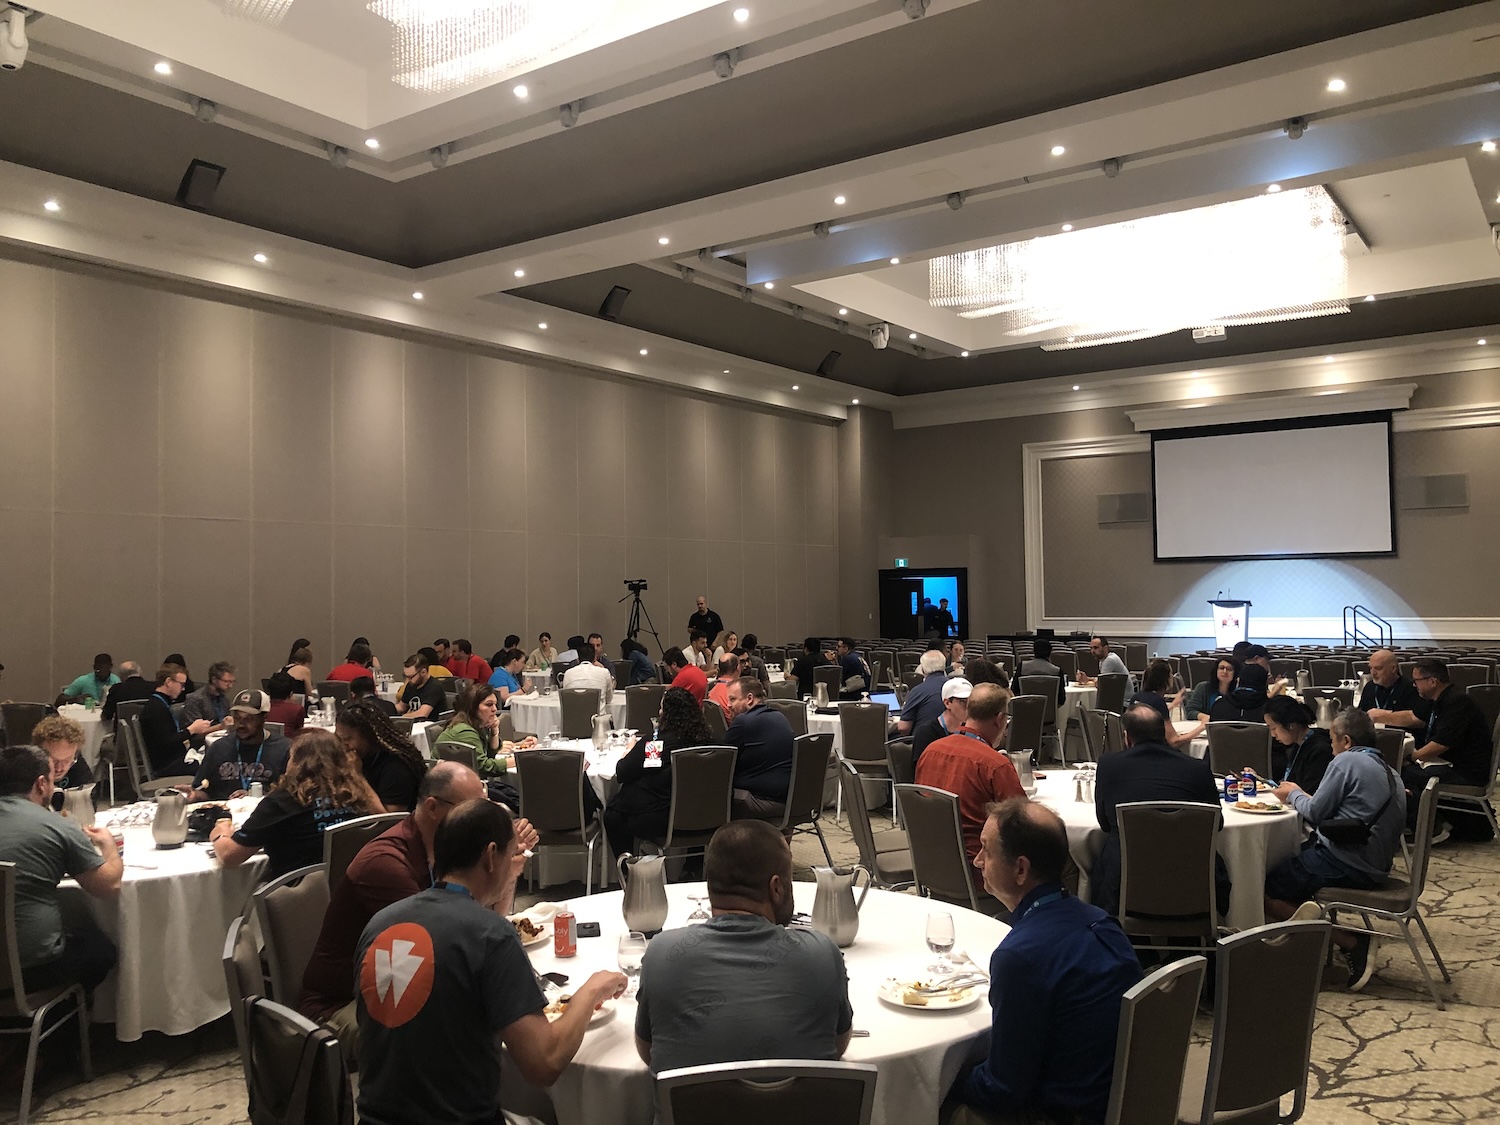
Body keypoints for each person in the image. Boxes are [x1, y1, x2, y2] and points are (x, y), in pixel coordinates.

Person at [354, 799, 626, 1125]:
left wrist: (506, 878)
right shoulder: (490, 936)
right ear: (490, 856)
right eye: (512, 854)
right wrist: (593, 989)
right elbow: (544, 1063)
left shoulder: (380, 925)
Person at [298, 762, 535, 1062]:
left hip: (398, 988)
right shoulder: (388, 865)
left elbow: (479, 927)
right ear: (434, 807)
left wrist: (506, 872)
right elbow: (453, 950)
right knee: (465, 1034)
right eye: (472, 807)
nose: (482, 817)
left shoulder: (443, 852)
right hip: (342, 1006)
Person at [945, 799, 1141, 1125]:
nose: (978, 861)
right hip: (1119, 1099)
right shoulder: (1102, 923)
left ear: (1021, 869)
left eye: (986, 851)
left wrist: (946, 1077)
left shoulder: (1019, 956)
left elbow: (1003, 1091)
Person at [636, 820, 853, 1080]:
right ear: (776, 888)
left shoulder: (661, 954)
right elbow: (836, 1047)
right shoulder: (822, 954)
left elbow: (650, 1053)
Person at [1266, 708, 1407, 990]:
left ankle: (1351, 941)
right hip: (1374, 862)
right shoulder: (1389, 770)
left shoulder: (1346, 762)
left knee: (1265, 887)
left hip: (1348, 861)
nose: (1331, 750)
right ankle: (1305, 942)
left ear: (1345, 740)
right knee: (1292, 865)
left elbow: (1317, 813)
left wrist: (1291, 792)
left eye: (1332, 741)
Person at [0, 745, 121, 997]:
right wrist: (109, 847)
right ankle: (65, 1019)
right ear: (41, 783)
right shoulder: (55, 826)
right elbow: (107, 886)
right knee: (101, 949)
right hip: (28, 969)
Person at [1089, 704, 1221, 917]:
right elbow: (1218, 824)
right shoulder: (1197, 768)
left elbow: (1104, 823)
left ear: (1126, 737)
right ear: (1163, 733)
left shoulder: (1109, 765)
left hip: (1126, 881)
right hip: (1193, 881)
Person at [211, 729, 380, 878]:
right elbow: (384, 820)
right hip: (347, 889)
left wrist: (220, 833)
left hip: (296, 896)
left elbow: (229, 857)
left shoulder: (283, 800)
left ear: (297, 762)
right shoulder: (356, 795)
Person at [1379, 659, 1494, 839]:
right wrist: (1381, 717)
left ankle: (1430, 828)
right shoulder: (1440, 700)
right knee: (1402, 770)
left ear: (1432, 681)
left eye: (1417, 681)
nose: (1414, 685)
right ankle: (1431, 822)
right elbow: (1414, 717)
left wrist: (1411, 757)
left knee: (1400, 773)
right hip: (1451, 763)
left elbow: (1440, 744)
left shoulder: (1457, 702)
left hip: (1466, 771)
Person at [913, 683, 1021, 873]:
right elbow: (1021, 823)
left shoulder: (930, 751)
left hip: (930, 865)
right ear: (1000, 719)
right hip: (978, 869)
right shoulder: (995, 765)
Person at [604, 687, 711, 858]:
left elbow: (622, 772)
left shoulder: (656, 744)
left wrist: (630, 750)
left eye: (661, 709)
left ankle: (629, 871)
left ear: (667, 714)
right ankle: (693, 867)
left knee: (612, 815)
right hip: (706, 815)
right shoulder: (710, 741)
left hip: (663, 818)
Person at [190, 690, 292, 802]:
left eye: (249, 719)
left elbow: (291, 794)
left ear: (264, 718)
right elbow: (204, 791)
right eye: (237, 718)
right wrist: (194, 795)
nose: (241, 724)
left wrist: (254, 796)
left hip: (266, 815)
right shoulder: (218, 748)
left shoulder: (284, 749)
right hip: (224, 815)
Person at [723, 676, 796, 820]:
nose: (728, 705)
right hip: (791, 800)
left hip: (760, 802)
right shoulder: (779, 716)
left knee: (709, 793)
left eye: (732, 699)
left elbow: (721, 762)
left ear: (749, 699)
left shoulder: (743, 722)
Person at [433, 685, 538, 783]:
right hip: (451, 787)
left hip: (459, 783)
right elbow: (485, 768)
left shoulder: (475, 725)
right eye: (489, 705)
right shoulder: (465, 731)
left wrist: (494, 733)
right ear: (473, 707)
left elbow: (490, 755)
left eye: (495, 704)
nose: (494, 709)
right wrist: (520, 759)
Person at [337, 700, 427, 813]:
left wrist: (358, 777)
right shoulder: (360, 756)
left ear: (368, 736)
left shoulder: (397, 766)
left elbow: (389, 821)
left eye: (347, 739)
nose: (342, 745)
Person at [140, 664, 209, 777]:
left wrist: (193, 730)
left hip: (171, 760)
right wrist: (191, 730)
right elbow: (167, 742)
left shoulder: (160, 704)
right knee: (212, 765)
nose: (183, 689)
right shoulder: (156, 708)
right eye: (181, 684)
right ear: (168, 682)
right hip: (167, 766)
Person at [1126, 659, 1202, 750]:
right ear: (1164, 679)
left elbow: (1150, 714)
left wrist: (1172, 705)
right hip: (1155, 753)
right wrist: (1203, 726)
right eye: (1170, 674)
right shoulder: (1157, 701)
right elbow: (1174, 741)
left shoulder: (1136, 697)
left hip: (1136, 751)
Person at [1264, 695, 1333, 793]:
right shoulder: (1299, 743)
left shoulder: (1320, 750)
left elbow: (1309, 793)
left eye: (1274, 728)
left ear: (1290, 725)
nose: (1273, 734)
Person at [1358, 648, 1425, 736]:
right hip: (1371, 737)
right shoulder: (1370, 687)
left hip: (1400, 738)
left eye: (1378, 668)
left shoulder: (1410, 688)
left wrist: (1383, 716)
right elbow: (1360, 714)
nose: (1373, 673)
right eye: (1371, 668)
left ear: (1393, 669)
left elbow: (1418, 721)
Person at [31, 715, 95, 799]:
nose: (59, 768)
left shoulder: (78, 764)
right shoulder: (26, 773)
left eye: (67, 761)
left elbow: (89, 798)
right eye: (53, 760)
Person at [912, 677, 971, 764]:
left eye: (972, 702)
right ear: (947, 703)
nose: (969, 708)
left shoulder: (970, 731)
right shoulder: (926, 733)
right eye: (964, 702)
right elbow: (920, 772)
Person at [180, 660, 237, 745]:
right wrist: (220, 727)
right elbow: (194, 735)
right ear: (214, 679)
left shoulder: (224, 699)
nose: (230, 686)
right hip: (202, 746)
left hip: (223, 743)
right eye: (226, 682)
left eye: (232, 682)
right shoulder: (195, 699)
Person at [898, 650, 950, 735]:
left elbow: (903, 728)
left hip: (922, 742)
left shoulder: (918, 690)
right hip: (951, 740)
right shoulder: (955, 687)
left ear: (923, 669)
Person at [1011, 638, 1065, 706]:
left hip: (1025, 713)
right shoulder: (1057, 671)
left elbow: (1014, 691)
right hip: (1049, 715)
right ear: (1050, 652)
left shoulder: (1022, 667)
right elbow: (1061, 700)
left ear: (1033, 651)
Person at [561, 641, 615, 708]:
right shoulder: (604, 672)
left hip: (574, 717)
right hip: (597, 717)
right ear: (594, 658)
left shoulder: (568, 673)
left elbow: (566, 699)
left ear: (578, 659)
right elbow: (608, 699)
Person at [1184, 656, 1238, 721]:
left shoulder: (1238, 691)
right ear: (1216, 671)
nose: (1225, 671)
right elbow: (1190, 711)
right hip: (1206, 726)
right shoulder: (1203, 688)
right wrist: (1207, 718)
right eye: (1221, 668)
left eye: (1229, 669)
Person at [396, 654, 448, 720]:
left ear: (423, 672)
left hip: (430, 725)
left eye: (411, 677)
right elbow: (401, 706)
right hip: (414, 723)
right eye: (406, 676)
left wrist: (402, 718)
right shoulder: (411, 684)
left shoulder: (434, 686)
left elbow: (422, 714)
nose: (408, 680)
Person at [266, 670, 306, 736]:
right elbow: (299, 734)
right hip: (289, 744)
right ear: (291, 694)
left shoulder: (263, 708)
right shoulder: (296, 709)